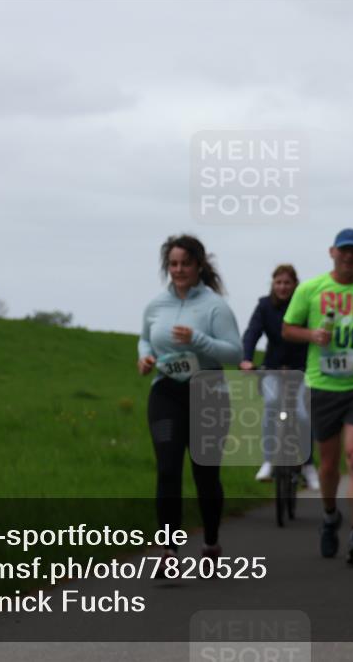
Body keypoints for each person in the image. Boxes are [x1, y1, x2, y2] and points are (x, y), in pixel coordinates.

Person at [282, 229, 353, 565]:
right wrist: (311, 334)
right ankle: (331, 515)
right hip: (323, 386)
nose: (348, 257)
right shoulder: (311, 289)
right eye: (343, 251)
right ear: (332, 252)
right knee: (330, 464)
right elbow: (288, 328)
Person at [137, 235, 242, 560]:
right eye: (173, 264)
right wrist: (144, 358)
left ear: (199, 266)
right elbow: (145, 340)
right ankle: (168, 551)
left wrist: (198, 339)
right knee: (168, 468)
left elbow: (235, 353)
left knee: (205, 474)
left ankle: (211, 541)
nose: (178, 270)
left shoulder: (214, 306)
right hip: (166, 392)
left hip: (208, 392)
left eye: (185, 263)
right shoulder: (156, 305)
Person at [240, 264, 318, 490]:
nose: (282, 287)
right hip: (273, 369)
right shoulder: (264, 306)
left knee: (303, 415)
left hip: (302, 370)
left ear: (295, 285)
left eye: (287, 283)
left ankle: (308, 465)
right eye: (278, 282)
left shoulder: (305, 306)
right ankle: (268, 461)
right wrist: (246, 358)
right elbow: (252, 332)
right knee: (272, 405)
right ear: (273, 285)